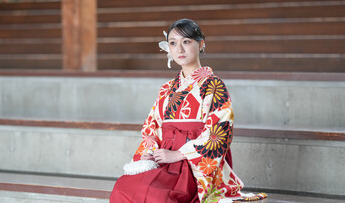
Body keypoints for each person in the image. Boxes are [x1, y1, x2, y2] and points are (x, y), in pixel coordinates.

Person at [110, 19, 267, 203]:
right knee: (123, 187)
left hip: (193, 164)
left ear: (201, 44)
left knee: (158, 195)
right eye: (173, 43)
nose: (179, 49)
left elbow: (220, 135)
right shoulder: (166, 88)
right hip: (163, 159)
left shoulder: (214, 85)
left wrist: (178, 154)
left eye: (186, 42)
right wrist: (150, 152)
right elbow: (151, 128)